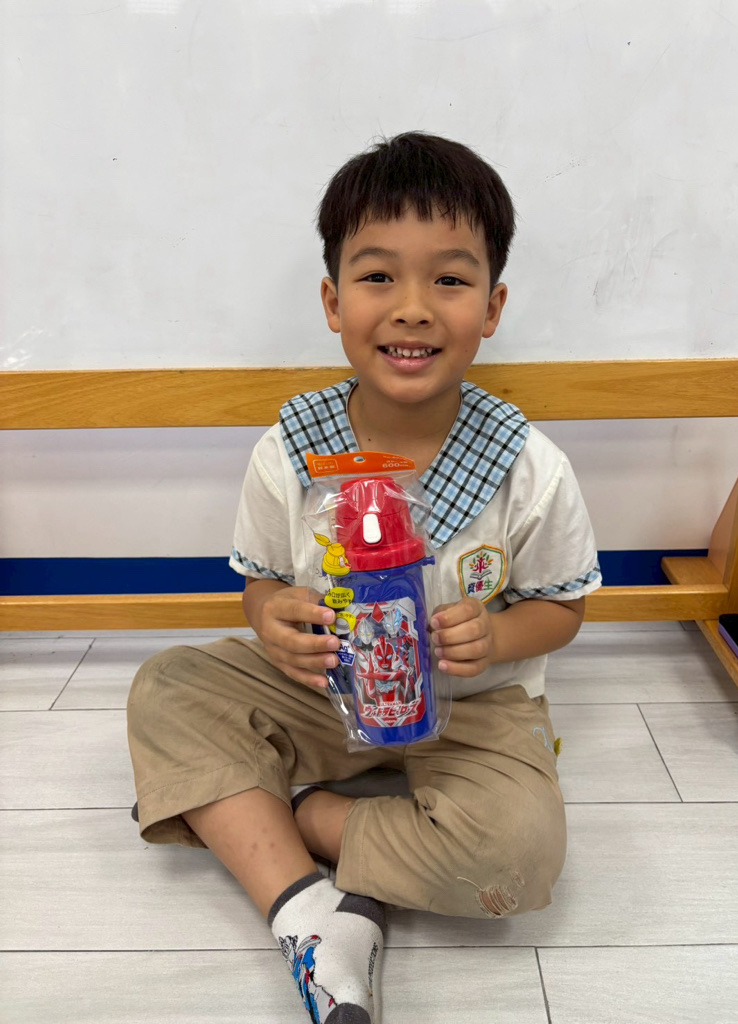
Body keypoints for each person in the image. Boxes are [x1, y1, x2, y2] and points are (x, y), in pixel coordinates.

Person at [127, 131, 601, 1024]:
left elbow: (564, 607)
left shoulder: (525, 463)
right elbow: (262, 584)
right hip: (326, 692)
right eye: (378, 276)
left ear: (493, 307)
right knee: (168, 686)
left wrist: (499, 633)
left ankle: (300, 814)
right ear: (332, 300)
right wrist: (274, 617)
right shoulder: (292, 450)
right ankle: (307, 910)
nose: (412, 309)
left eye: (449, 280)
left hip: (474, 706)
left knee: (519, 857)